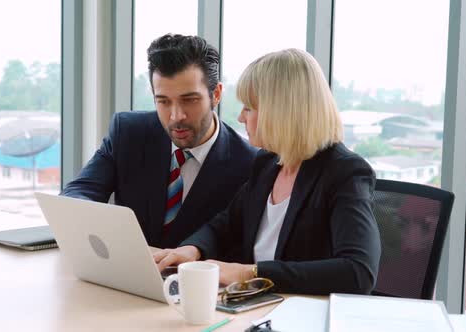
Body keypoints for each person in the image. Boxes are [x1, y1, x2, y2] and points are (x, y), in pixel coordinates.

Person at [153, 49, 381, 295]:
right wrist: (192, 250)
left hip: (298, 313)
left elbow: (358, 272)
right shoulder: (268, 163)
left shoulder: (344, 172)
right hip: (252, 304)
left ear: (281, 112)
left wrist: (249, 273)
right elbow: (226, 224)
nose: (240, 117)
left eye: (249, 108)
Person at [62, 34, 257, 249]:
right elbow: (79, 192)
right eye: (163, 101)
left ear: (216, 94)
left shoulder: (249, 164)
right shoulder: (128, 133)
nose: (176, 116)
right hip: (125, 275)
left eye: (189, 100)